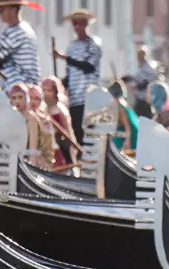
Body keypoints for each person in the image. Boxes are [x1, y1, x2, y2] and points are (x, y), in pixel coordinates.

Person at [55, 9, 101, 147]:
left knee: (89, 134)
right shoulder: (72, 46)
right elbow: (70, 75)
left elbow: (89, 66)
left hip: (89, 98)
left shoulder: (93, 44)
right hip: (75, 99)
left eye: (80, 24)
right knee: (77, 134)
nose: (77, 27)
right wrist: (57, 86)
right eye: (75, 24)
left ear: (86, 24)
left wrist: (64, 58)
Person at [41, 76, 75, 166]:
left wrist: (72, 146)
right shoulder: (43, 109)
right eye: (43, 90)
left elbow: (68, 130)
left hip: (61, 143)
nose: (46, 94)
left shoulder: (60, 109)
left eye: (49, 91)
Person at [108, 79, 139, 151]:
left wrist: (127, 140)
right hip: (130, 131)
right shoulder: (121, 102)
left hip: (131, 134)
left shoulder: (119, 105)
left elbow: (127, 125)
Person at [133, 46, 159, 118]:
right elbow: (136, 78)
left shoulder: (149, 67)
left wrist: (138, 86)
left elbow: (151, 81)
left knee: (147, 117)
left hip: (146, 98)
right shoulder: (140, 67)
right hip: (139, 98)